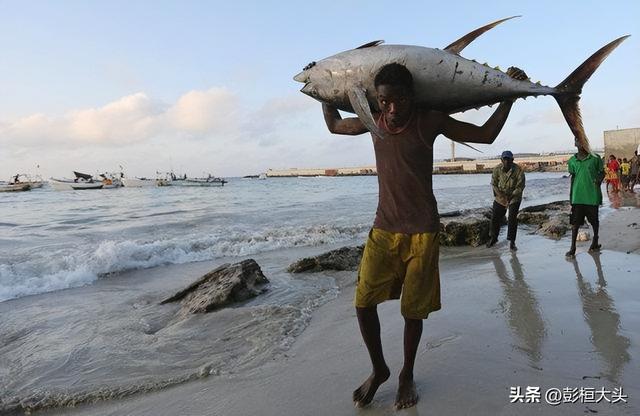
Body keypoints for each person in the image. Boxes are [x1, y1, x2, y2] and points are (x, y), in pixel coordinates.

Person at [322, 62, 527, 409]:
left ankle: (406, 374)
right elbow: (334, 125)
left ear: (411, 97)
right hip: (383, 229)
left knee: (413, 311)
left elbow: (486, 135)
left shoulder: (429, 120)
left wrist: (510, 96)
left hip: (422, 232)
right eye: (384, 101)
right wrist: (323, 84)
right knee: (362, 303)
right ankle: (379, 369)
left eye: (399, 100)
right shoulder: (373, 121)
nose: (391, 108)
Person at [566, 138, 604, 257]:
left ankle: (595, 240)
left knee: (594, 222)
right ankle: (573, 247)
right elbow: (573, 178)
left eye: (582, 140)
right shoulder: (572, 161)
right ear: (575, 143)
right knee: (575, 224)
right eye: (578, 140)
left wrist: (599, 179)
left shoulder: (595, 158)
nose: (580, 143)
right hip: (578, 197)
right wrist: (571, 196)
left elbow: (602, 172)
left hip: (592, 196)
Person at [487, 151, 525, 251]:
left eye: (509, 159)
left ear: (512, 160)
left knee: (512, 218)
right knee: (495, 216)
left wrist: (511, 195)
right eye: (505, 159)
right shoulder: (496, 169)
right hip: (500, 196)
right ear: (501, 160)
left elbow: (521, 186)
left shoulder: (519, 170)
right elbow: (494, 184)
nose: (507, 161)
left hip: (514, 196)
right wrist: (500, 195)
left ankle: (512, 241)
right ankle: (493, 238)